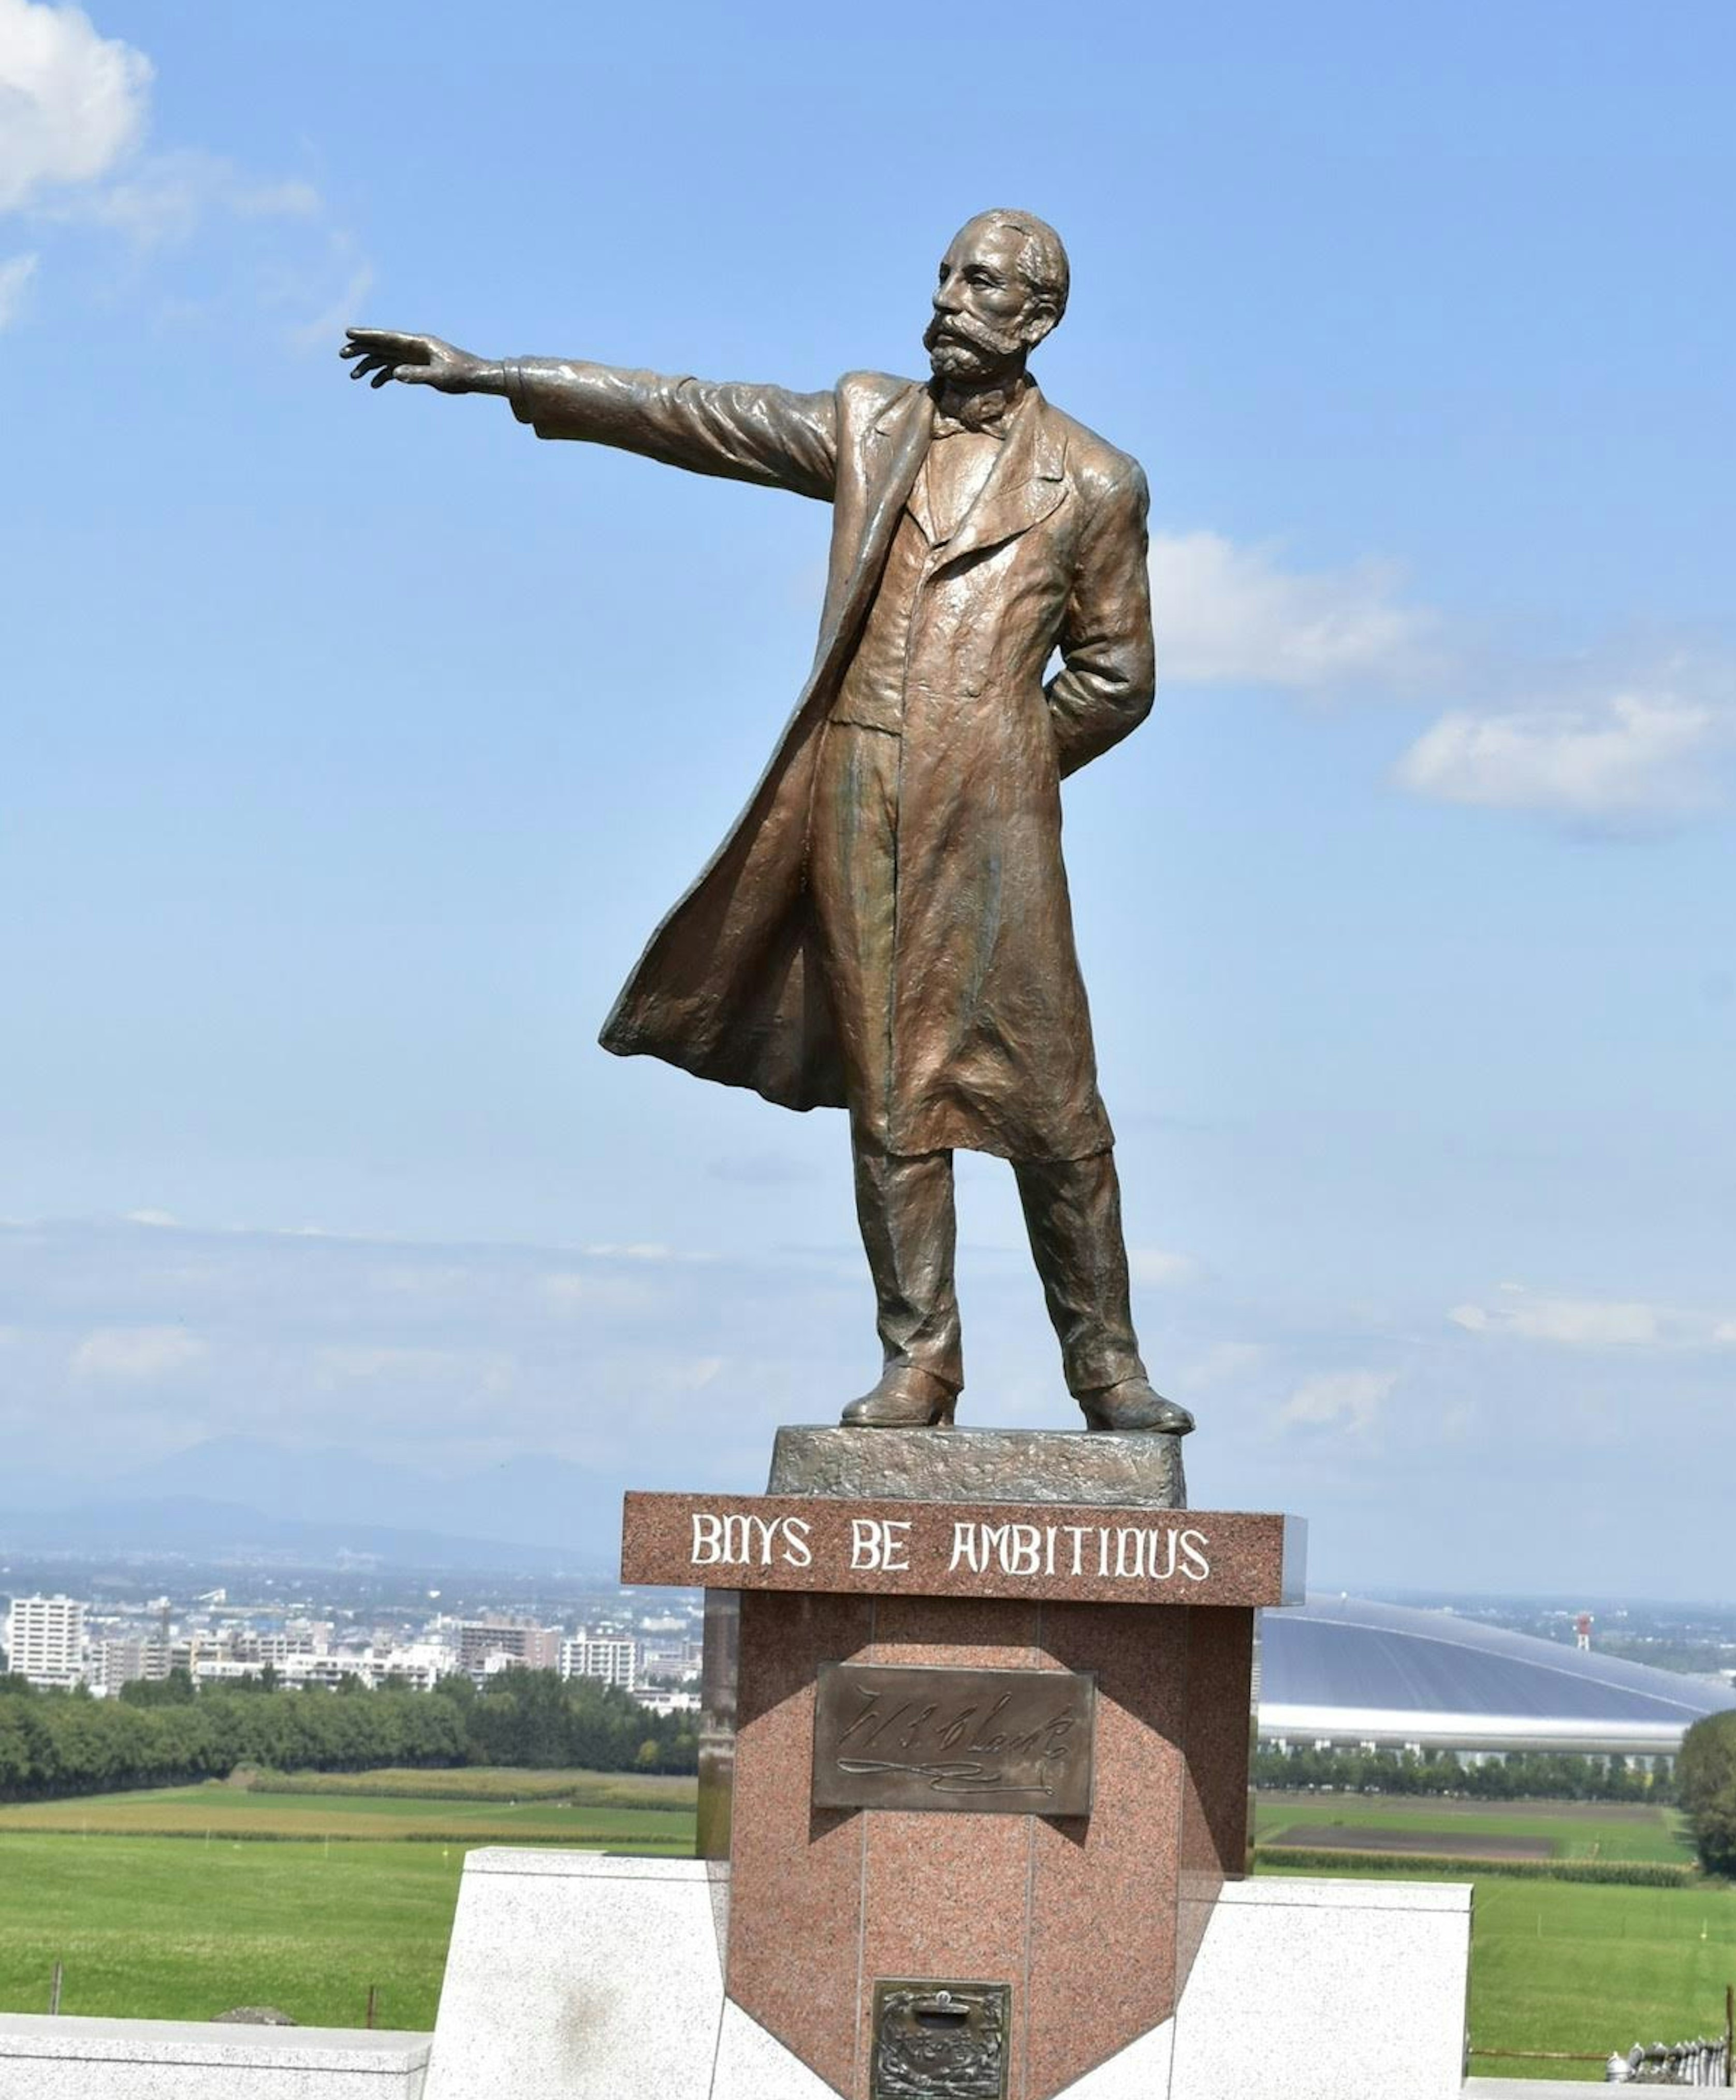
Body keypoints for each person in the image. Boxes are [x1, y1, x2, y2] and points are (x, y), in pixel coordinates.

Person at [342, 210, 1191, 1435]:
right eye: (944, 274)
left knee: (1055, 1099)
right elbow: (693, 413)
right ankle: (923, 1361)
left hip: (995, 823)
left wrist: (999, 763)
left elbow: (1118, 676)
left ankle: (1106, 1367)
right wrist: (500, 373)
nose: (948, 296)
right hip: (856, 795)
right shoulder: (869, 422)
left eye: (981, 282)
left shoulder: (1098, 482)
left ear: (1037, 316)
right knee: (893, 1092)